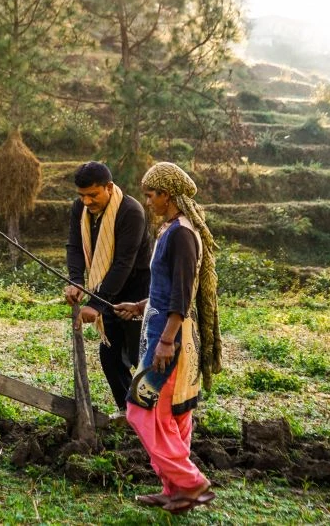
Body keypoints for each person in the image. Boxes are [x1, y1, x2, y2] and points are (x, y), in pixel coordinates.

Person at [113, 162, 222, 515]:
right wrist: (141, 305)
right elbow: (167, 289)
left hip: (170, 340)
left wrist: (166, 341)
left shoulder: (181, 235)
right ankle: (174, 490)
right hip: (167, 331)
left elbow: (182, 294)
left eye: (151, 194)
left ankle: (191, 483)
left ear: (168, 195)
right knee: (174, 416)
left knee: (140, 409)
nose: (147, 201)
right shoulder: (173, 230)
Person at [63, 161, 152, 415]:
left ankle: (160, 413)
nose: (87, 201)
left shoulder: (130, 211)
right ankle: (129, 411)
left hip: (137, 288)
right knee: (110, 355)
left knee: (140, 354)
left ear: (109, 187)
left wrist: (95, 303)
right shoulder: (80, 209)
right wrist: (76, 280)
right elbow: (74, 245)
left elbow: (124, 262)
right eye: (82, 196)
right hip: (104, 288)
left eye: (93, 194)